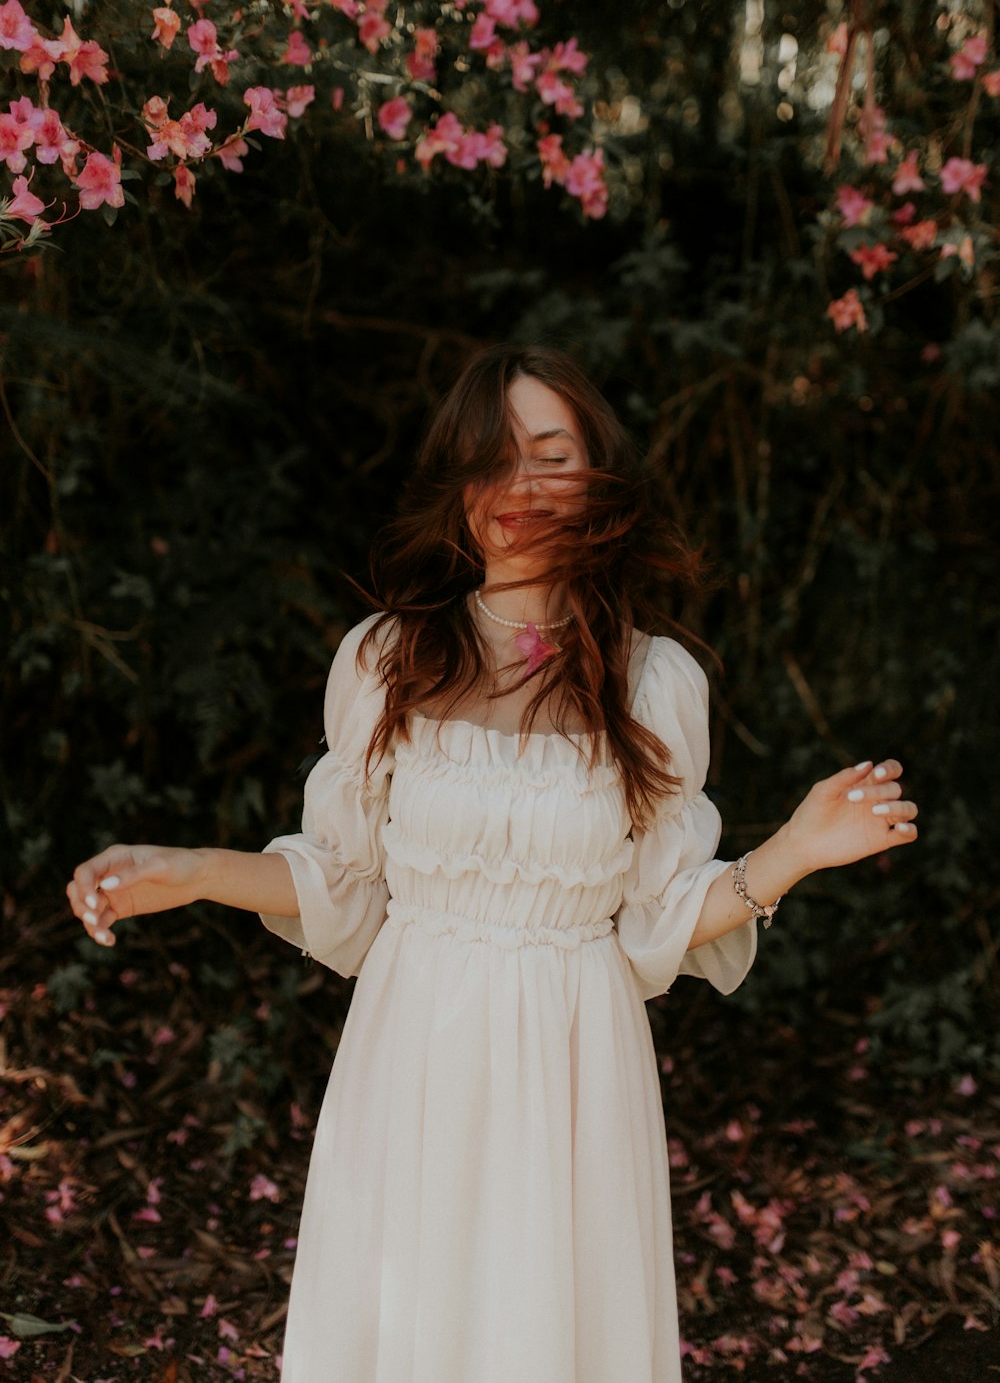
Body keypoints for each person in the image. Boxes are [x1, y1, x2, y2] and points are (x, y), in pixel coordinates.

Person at [67, 345, 918, 1383]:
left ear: (598, 476)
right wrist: (194, 868)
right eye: (491, 456)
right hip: (411, 1040)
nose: (518, 484)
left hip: (577, 1058)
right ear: (456, 485)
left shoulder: (655, 684)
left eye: (549, 454)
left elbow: (654, 919)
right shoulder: (385, 660)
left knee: (552, 1328)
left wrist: (791, 852)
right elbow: (341, 886)